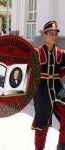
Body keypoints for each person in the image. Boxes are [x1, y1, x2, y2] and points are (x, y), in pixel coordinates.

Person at [31, 21, 65, 150]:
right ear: (44, 35)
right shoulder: (36, 52)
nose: (54, 36)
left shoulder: (61, 53)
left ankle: (62, 145)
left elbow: (62, 71)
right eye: (51, 34)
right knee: (42, 120)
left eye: (55, 34)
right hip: (41, 89)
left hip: (57, 87)